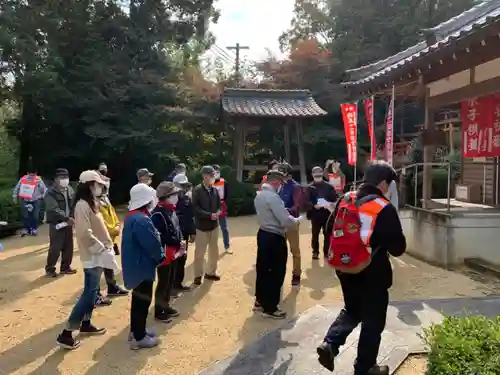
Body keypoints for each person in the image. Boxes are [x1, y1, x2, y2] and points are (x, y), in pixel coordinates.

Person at [316, 161, 406, 375]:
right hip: (372, 272)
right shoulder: (383, 207)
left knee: (353, 308)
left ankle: (330, 343)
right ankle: (365, 368)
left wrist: (338, 259)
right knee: (373, 320)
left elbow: (328, 231)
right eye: (389, 184)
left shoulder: (345, 199)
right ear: (383, 183)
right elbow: (398, 248)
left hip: (344, 269)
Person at [56, 170, 119, 350]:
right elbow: (84, 233)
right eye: (98, 184)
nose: (101, 187)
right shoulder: (82, 205)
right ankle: (66, 333)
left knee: (92, 292)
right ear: (89, 185)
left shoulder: (92, 203)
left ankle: (85, 322)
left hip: (98, 253)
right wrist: (101, 248)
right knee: (89, 293)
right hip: (93, 254)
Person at [122, 183, 165, 350]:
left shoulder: (132, 216)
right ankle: (139, 337)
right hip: (142, 266)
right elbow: (152, 244)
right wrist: (161, 256)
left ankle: (136, 331)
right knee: (143, 301)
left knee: (138, 300)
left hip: (135, 265)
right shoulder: (142, 219)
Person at [254, 170, 301, 319]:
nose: (281, 185)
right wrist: (298, 220)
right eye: (281, 182)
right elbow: (285, 220)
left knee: (262, 270)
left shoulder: (260, 195)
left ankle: (260, 301)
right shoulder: (273, 197)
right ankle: (271, 307)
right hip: (274, 236)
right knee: (275, 272)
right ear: (276, 182)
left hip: (263, 233)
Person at [151, 182, 183, 322]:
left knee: (170, 280)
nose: (177, 197)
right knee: (163, 282)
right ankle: (159, 311)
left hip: (174, 251)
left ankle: (166, 305)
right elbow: (160, 236)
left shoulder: (171, 209)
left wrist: (180, 240)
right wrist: (176, 241)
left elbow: (177, 227)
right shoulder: (158, 213)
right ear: (166, 196)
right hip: (164, 253)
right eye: (174, 194)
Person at [98, 180, 128, 300]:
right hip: (100, 238)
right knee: (98, 265)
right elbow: (99, 221)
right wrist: (112, 229)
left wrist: (116, 226)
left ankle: (112, 287)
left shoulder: (105, 199)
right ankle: (96, 293)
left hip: (110, 238)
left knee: (108, 263)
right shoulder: (92, 203)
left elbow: (113, 215)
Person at [192, 165, 221, 285]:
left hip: (214, 226)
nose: (214, 177)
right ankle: (198, 275)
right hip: (202, 227)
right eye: (212, 175)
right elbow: (195, 208)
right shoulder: (197, 190)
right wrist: (209, 215)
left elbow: (219, 204)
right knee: (199, 253)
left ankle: (211, 272)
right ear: (205, 176)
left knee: (214, 252)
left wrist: (218, 212)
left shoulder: (215, 190)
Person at [44, 168, 76, 277]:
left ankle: (65, 267)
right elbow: (53, 208)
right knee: (55, 247)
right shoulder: (50, 192)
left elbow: (74, 204)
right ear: (56, 179)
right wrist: (66, 218)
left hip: (68, 223)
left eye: (66, 177)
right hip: (56, 223)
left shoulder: (70, 190)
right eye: (62, 178)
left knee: (69, 246)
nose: (64, 180)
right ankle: (50, 269)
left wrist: (72, 217)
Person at [277, 162, 302, 286]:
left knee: (294, 250)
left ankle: (296, 274)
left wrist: (286, 210)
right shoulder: (278, 185)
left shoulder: (295, 186)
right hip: (279, 222)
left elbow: (297, 205)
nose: (279, 173)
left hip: (291, 221)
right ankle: (279, 275)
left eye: (281, 170)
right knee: (279, 250)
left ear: (287, 172)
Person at [308, 166, 337, 260]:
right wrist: (313, 205)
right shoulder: (309, 188)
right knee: (315, 234)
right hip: (315, 215)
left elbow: (335, 200)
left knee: (327, 234)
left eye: (319, 173)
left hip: (327, 214)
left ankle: (326, 252)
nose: (317, 175)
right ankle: (315, 252)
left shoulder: (329, 187)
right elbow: (305, 202)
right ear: (312, 175)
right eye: (315, 174)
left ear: (322, 174)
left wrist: (329, 204)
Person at [172, 173, 195, 292]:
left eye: (185, 185)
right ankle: (171, 287)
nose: (184, 188)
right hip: (173, 235)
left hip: (184, 234)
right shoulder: (171, 199)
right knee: (173, 260)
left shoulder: (187, 198)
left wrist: (193, 232)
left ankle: (178, 284)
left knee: (183, 258)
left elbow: (190, 216)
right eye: (182, 185)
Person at [13, 169, 47, 236]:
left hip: (35, 200)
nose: (32, 176)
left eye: (33, 174)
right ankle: (27, 229)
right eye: (30, 174)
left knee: (35, 215)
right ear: (27, 173)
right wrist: (14, 197)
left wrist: (40, 186)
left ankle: (34, 229)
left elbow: (44, 190)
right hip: (24, 200)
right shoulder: (23, 179)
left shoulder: (38, 180)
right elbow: (17, 188)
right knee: (25, 215)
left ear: (36, 173)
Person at [213, 164, 231, 254]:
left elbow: (227, 194)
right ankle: (211, 248)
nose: (216, 173)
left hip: (221, 205)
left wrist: (224, 204)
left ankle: (227, 246)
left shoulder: (224, 182)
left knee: (224, 228)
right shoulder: (209, 182)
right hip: (211, 207)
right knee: (211, 229)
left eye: (217, 171)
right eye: (214, 171)